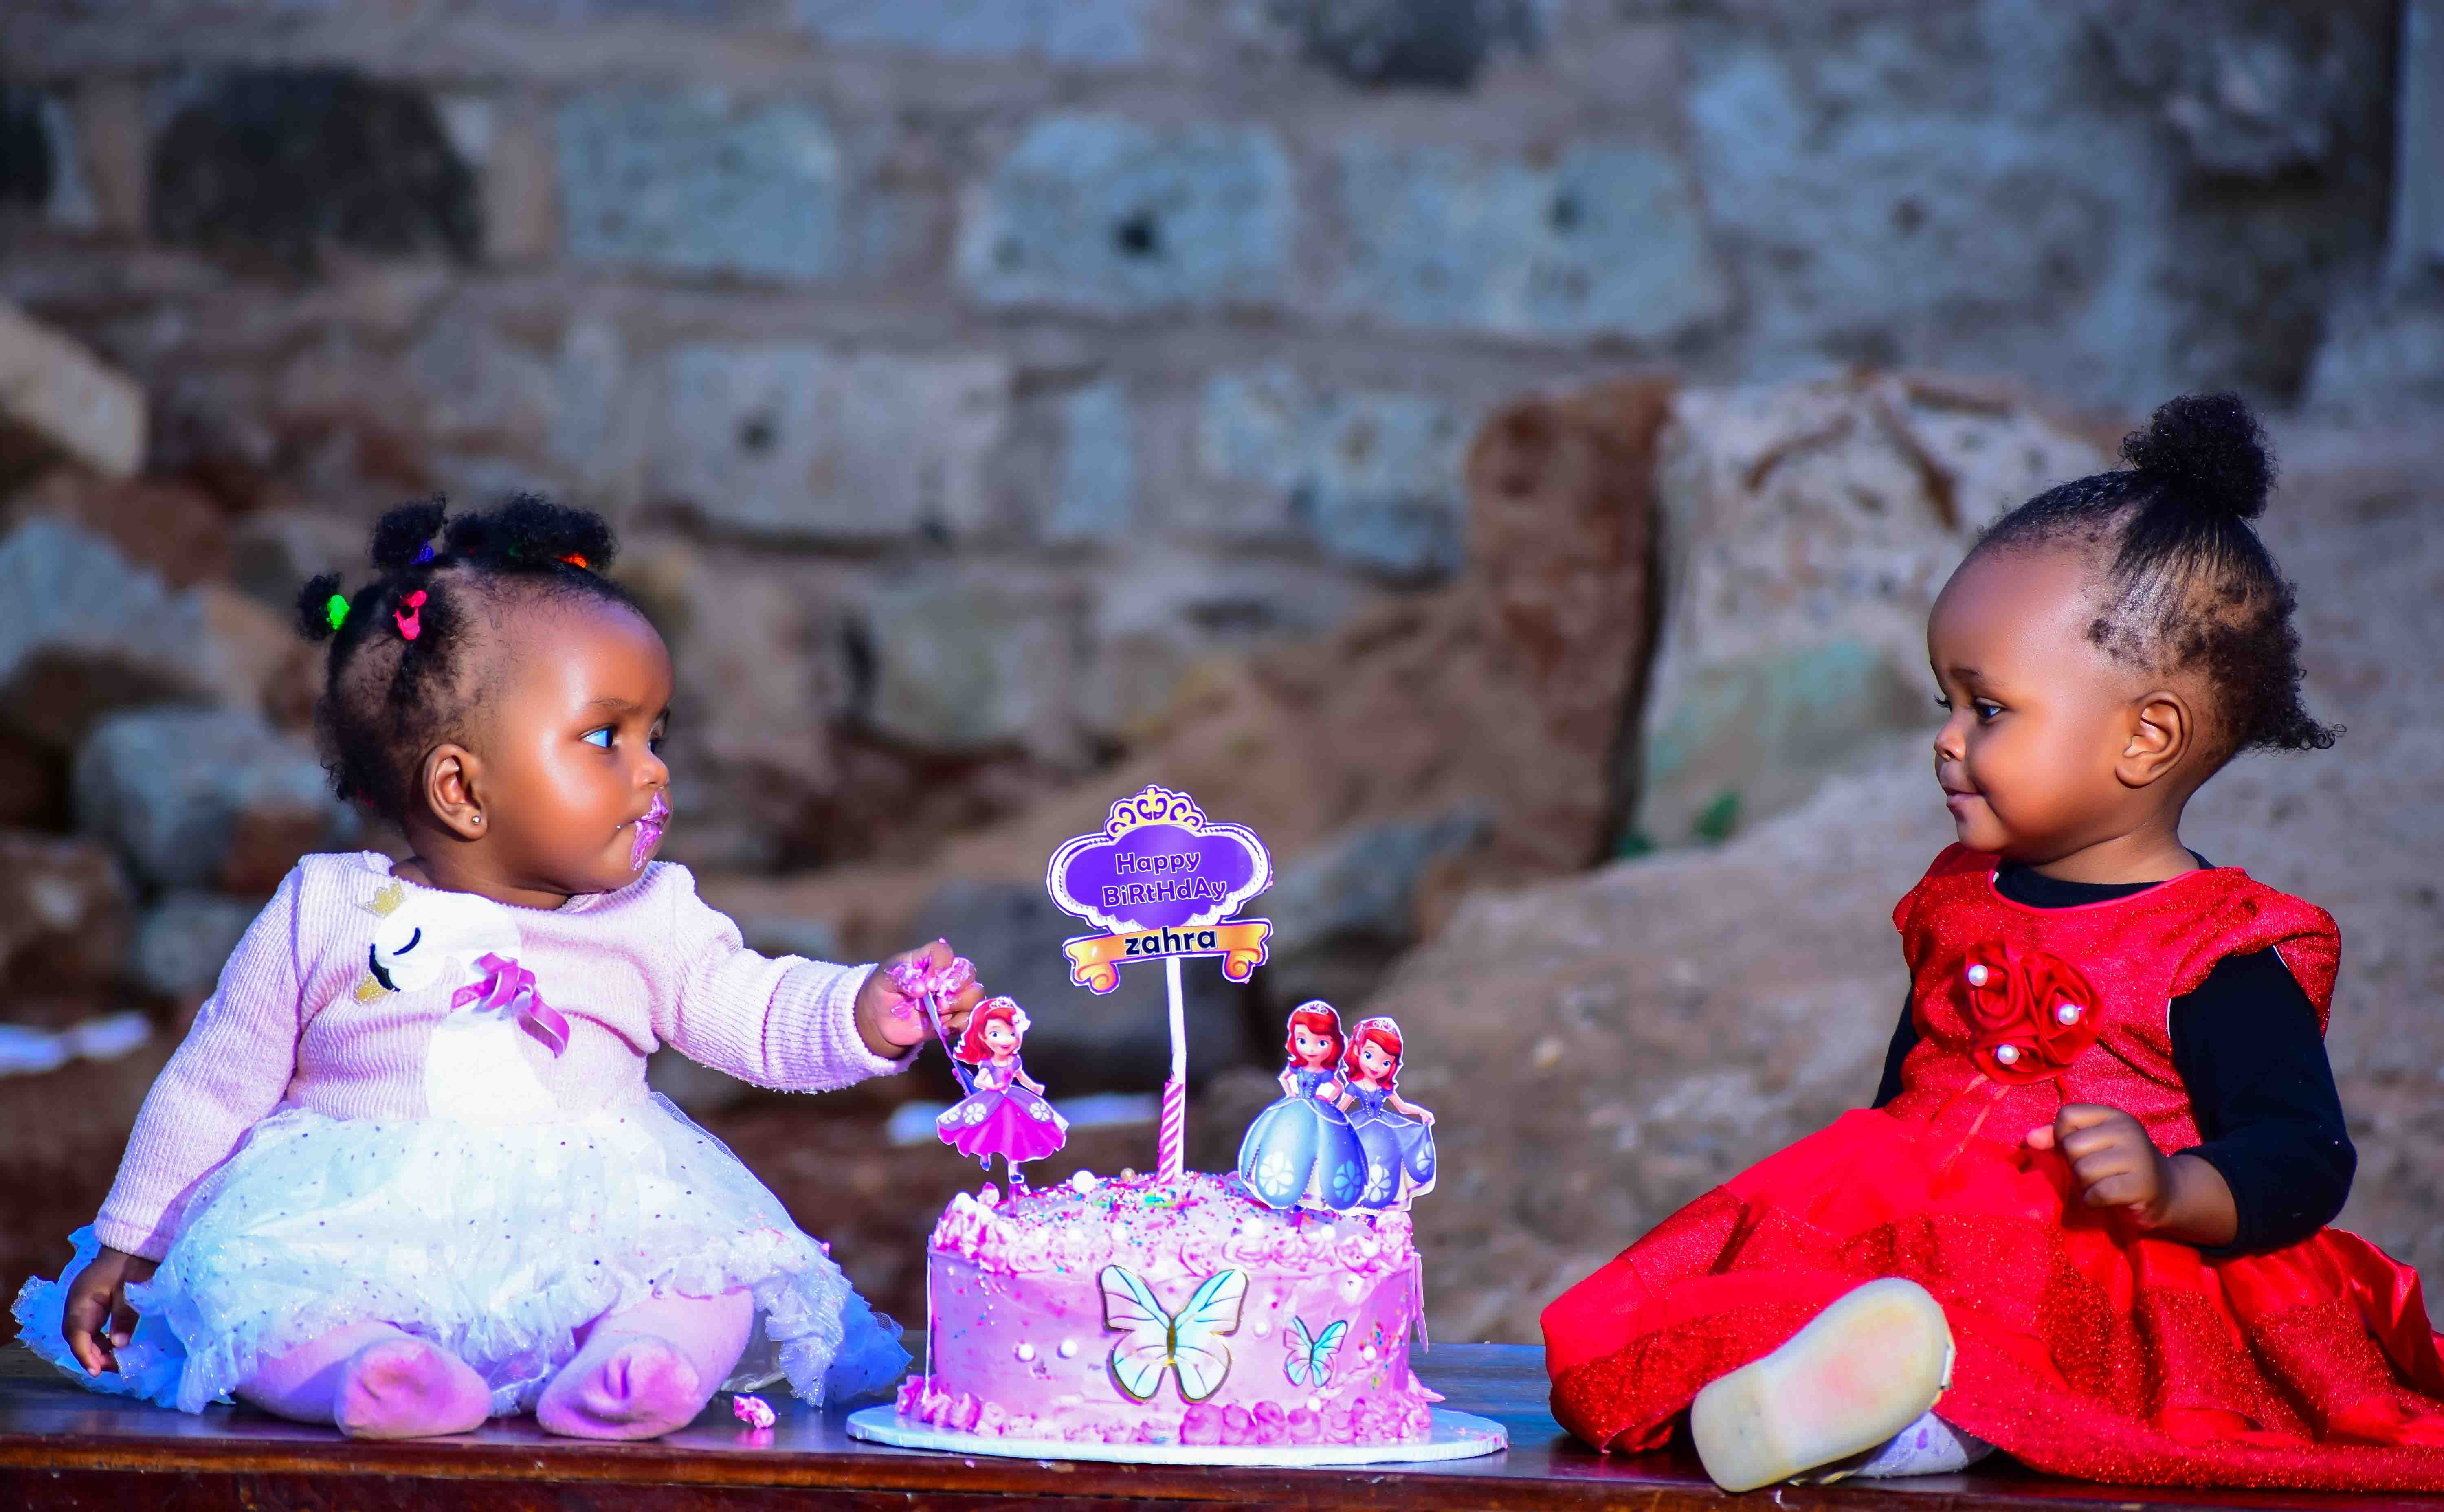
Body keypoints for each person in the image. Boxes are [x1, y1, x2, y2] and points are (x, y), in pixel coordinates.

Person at [1543, 395, 2444, 1493]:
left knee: (2026, 1380)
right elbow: (1905, 1084)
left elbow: (2305, 1153)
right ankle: (1804, 1386)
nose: (1947, 739)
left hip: (2100, 1272)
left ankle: (1886, 1426)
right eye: (1947, 701)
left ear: (2144, 737)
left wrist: (2173, 1186)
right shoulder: (1962, 897)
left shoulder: (2214, 949)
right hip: (1913, 1238)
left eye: (1990, 709)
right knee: (1732, 1310)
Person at [13, 496, 987, 1441]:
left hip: (590, 1229)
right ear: (462, 789)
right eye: (606, 737)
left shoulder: (648, 917)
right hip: (356, 1234)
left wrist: (864, 1008)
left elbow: (754, 1005)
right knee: (251, 1294)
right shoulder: (325, 909)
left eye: (658, 735)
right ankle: (372, 1374)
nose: (653, 770)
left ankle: (634, 1365)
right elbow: (215, 1085)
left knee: (711, 1278)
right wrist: (132, 1237)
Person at [1236, 1001, 1368, 1211]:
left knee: (1321, 1145)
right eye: (1302, 1040)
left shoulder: (1324, 1073)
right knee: (1281, 1139)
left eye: (1322, 1043)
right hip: (1295, 1105)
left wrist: (1327, 1101)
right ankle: (1278, 1190)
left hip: (1317, 1109)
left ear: (1333, 1045)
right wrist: (1291, 1094)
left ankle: (1308, 1196)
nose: (1312, 1049)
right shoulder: (1297, 1067)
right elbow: (1284, 1078)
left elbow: (1337, 1086)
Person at [935, 996, 1068, 1191]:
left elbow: (1021, 1077)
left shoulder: (1014, 1061)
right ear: (983, 1037)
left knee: (1014, 1134)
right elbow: (980, 1080)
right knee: (983, 1128)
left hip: (1014, 1098)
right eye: (996, 1034)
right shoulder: (988, 1063)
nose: (1006, 1040)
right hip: (991, 1099)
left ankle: (1014, 1169)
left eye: (1012, 1033)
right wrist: (991, 1086)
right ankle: (985, 1155)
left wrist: (1034, 1087)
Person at [1338, 1015, 1436, 1210]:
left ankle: (1379, 1207)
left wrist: (1422, 1113)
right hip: (1360, 1130)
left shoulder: (1385, 1088)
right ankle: (1360, 1205)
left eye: (1385, 1063)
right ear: (1357, 1051)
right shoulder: (1355, 1086)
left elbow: (1402, 1107)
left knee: (1387, 1166)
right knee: (1357, 1164)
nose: (1375, 1066)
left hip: (1385, 1130)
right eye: (1369, 1056)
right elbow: (1341, 1109)